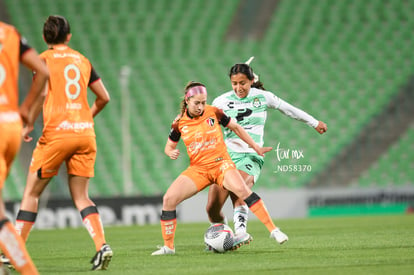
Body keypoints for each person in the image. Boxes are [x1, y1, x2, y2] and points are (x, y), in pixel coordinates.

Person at [4, 15, 112, 271]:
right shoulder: (83, 60)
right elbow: (104, 97)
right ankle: (101, 245)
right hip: (85, 133)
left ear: (45, 38)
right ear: (69, 36)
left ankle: (13, 251)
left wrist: (29, 122)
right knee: (82, 197)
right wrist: (85, 118)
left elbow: (41, 94)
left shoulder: (43, 59)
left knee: (31, 193)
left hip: (56, 134)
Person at [151, 81, 288, 256]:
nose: (201, 106)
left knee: (241, 190)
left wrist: (255, 146)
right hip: (198, 169)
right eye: (197, 103)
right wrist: (170, 152)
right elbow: (168, 146)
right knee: (169, 199)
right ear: (187, 101)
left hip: (221, 164)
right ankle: (169, 248)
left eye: (203, 102)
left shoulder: (214, 112)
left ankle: (274, 231)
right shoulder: (179, 123)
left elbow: (236, 127)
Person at [207, 57, 328, 249]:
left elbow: (289, 109)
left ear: (252, 80)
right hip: (226, 156)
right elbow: (206, 124)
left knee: (239, 186)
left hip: (251, 155)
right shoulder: (220, 101)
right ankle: (221, 234)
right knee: (212, 208)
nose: (239, 87)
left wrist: (314, 122)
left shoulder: (263, 97)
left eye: (243, 83)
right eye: (234, 83)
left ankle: (240, 233)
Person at [0, 20, 49, 274]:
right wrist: (26, 110)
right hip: (10, 126)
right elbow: (42, 71)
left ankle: (28, 271)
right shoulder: (10, 33)